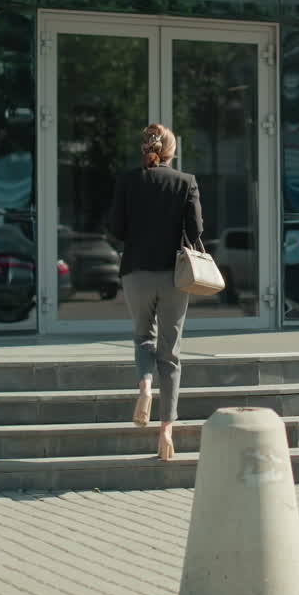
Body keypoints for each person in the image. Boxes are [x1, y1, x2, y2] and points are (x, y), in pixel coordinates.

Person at [109, 124, 202, 461]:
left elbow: (116, 229)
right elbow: (196, 230)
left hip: (136, 273)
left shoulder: (127, 181)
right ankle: (166, 431)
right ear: (171, 151)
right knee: (170, 352)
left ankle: (145, 386)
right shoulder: (186, 182)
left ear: (145, 148)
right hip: (173, 276)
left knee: (142, 338)